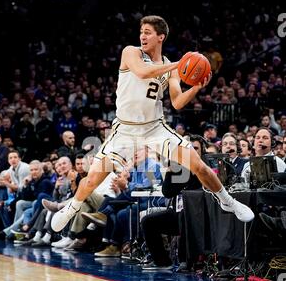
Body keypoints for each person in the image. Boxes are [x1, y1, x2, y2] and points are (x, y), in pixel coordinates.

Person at [51, 15, 254, 232]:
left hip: (154, 127)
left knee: (198, 166)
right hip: (125, 129)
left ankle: (227, 200)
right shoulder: (131, 52)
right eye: (141, 32)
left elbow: (176, 103)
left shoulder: (170, 67)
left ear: (160, 37)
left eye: (147, 32)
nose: (142, 36)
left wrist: (195, 88)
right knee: (92, 179)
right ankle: (72, 207)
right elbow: (142, 72)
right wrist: (182, 63)